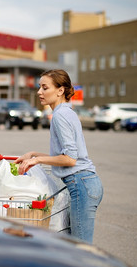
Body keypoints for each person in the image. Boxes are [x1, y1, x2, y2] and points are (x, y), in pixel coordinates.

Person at [14, 69, 103, 243]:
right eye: (39, 87)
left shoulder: (60, 116)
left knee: (81, 248)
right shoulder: (66, 112)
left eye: (45, 88)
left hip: (81, 184)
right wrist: (33, 154)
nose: (39, 92)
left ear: (60, 90)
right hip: (84, 184)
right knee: (70, 244)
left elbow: (70, 159)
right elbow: (62, 156)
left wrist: (37, 160)